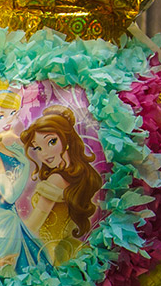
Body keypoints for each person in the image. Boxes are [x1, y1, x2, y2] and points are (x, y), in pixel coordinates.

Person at [16, 109, 105, 267]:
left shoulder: (56, 180)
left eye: (51, 142)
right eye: (38, 148)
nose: (45, 154)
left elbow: (32, 226)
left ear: (67, 140)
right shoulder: (83, 175)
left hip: (44, 252)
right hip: (65, 248)